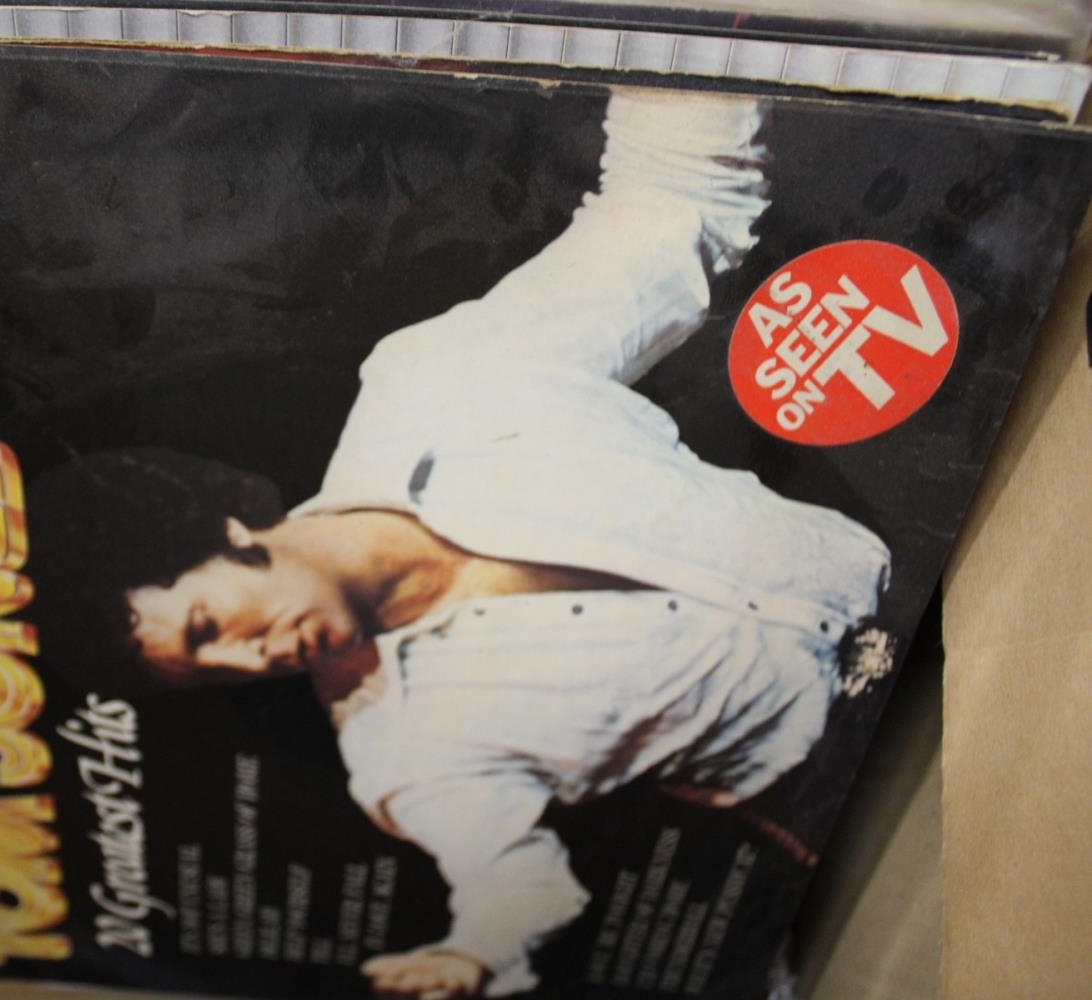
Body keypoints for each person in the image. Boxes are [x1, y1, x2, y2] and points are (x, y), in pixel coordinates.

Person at [124, 87, 892, 1000]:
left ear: (227, 535)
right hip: (860, 799)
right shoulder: (395, 751)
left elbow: (671, 204)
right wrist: (469, 956)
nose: (253, 664)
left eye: (209, 628)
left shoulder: (441, 383)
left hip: (919, 584)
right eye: (212, 674)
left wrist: (692, 45)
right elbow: (511, 884)